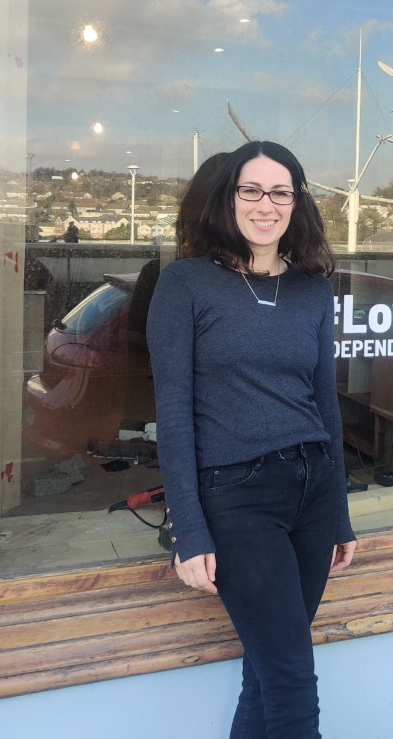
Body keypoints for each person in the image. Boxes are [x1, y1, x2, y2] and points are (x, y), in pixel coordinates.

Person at [147, 140, 356, 739]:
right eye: (252, 190)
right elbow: (173, 413)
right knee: (291, 680)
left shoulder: (313, 289)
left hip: (313, 492)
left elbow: (325, 405)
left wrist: (339, 514)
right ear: (228, 197)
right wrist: (188, 530)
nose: (267, 205)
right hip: (238, 497)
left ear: (298, 202)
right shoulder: (185, 284)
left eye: (281, 192)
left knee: (265, 676)